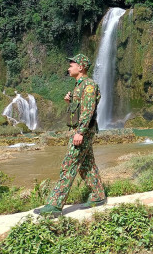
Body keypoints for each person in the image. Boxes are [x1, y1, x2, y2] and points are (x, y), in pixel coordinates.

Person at [36, 54, 106, 217]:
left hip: (83, 131)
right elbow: (80, 109)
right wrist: (71, 102)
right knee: (87, 165)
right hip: (82, 130)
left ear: (80, 67)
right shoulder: (79, 86)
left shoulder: (88, 85)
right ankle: (98, 195)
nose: (68, 67)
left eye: (71, 64)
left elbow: (88, 111)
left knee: (69, 165)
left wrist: (80, 132)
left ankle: (55, 204)